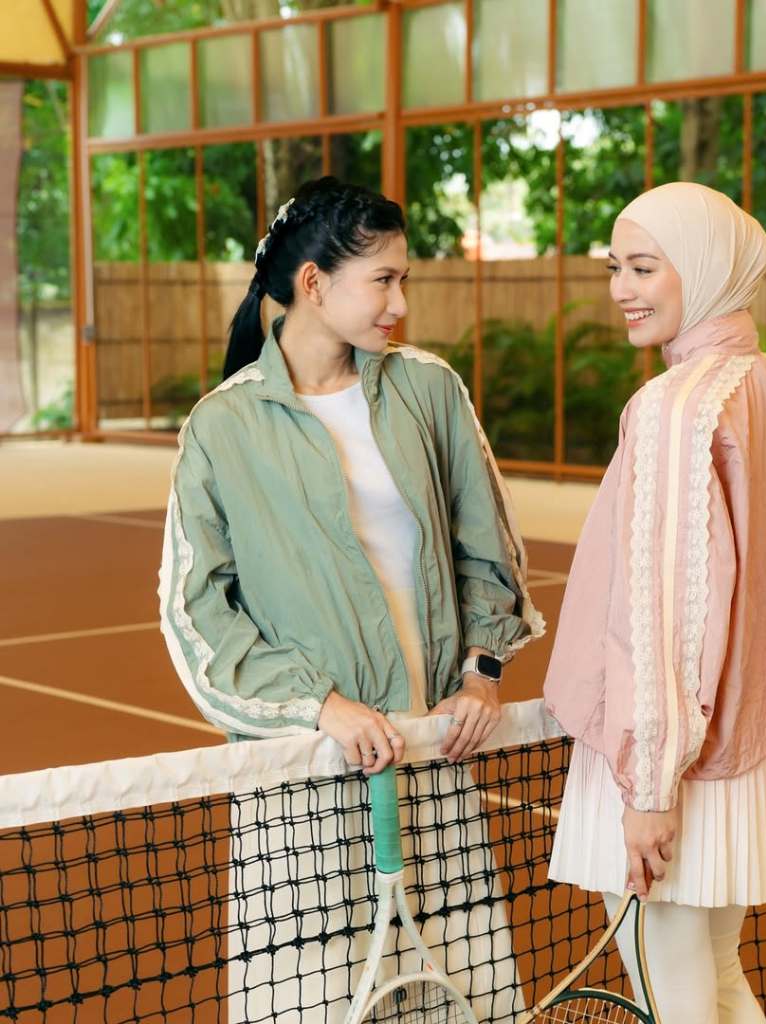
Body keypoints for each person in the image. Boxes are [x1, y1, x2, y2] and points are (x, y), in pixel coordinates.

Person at [158, 176, 544, 1022]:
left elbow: (491, 550)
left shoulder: (429, 390)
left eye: (404, 279)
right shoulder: (220, 427)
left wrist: (481, 674)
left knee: (459, 997)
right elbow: (197, 615)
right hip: (303, 773)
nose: (400, 303)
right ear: (313, 283)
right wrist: (320, 707)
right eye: (384, 280)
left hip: (429, 749)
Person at [544, 182, 766, 1023]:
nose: (621, 288)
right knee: (719, 984)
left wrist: (650, 786)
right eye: (616, 267)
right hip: (740, 748)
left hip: (669, 759)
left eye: (645, 267)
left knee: (679, 1001)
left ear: (701, 268)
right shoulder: (759, 380)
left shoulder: (676, 407)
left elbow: (667, 611)